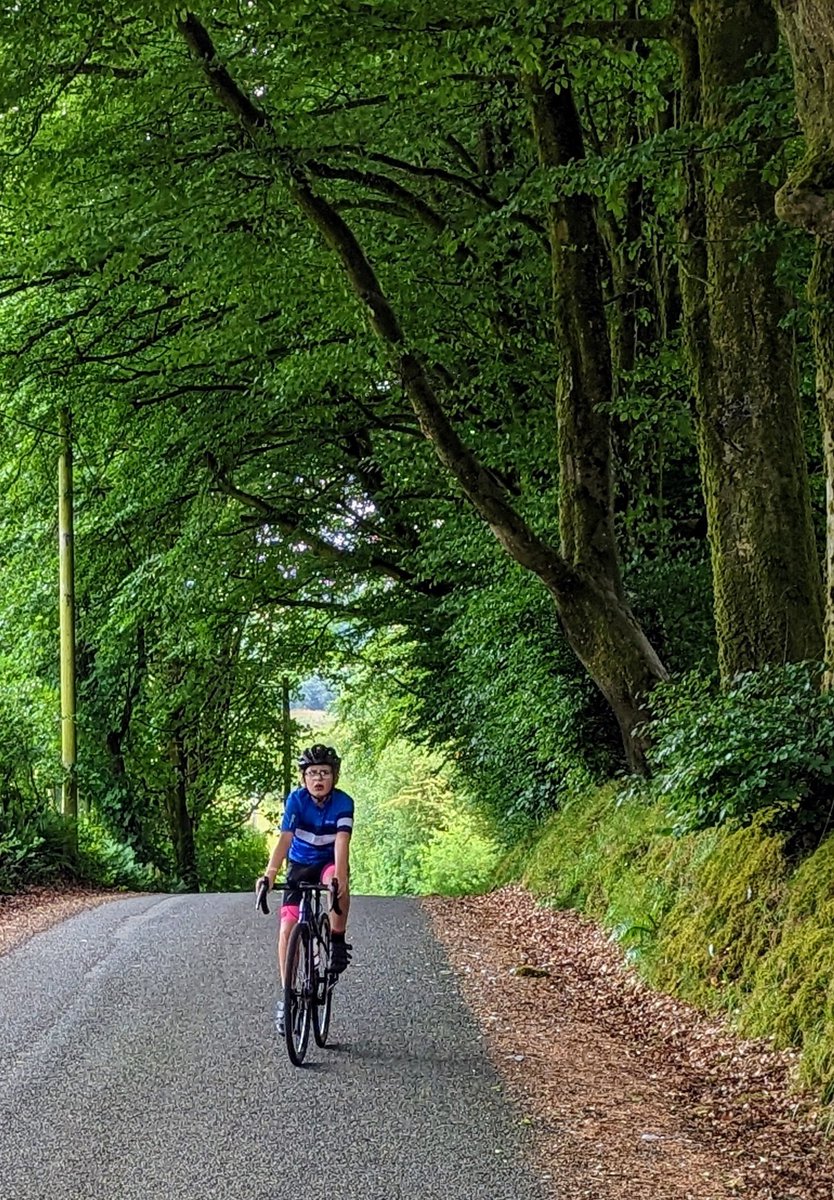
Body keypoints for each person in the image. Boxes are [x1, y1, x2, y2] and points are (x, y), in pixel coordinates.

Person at [257, 743, 353, 1035]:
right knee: (287, 928)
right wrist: (270, 874)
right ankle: (288, 998)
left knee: (337, 880)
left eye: (324, 772)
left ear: (333, 776)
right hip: (299, 864)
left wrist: (339, 878)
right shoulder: (296, 801)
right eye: (312, 773)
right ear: (304, 778)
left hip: (327, 862)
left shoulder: (343, 802)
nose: (318, 778)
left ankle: (336, 940)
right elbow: (285, 839)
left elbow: (341, 842)